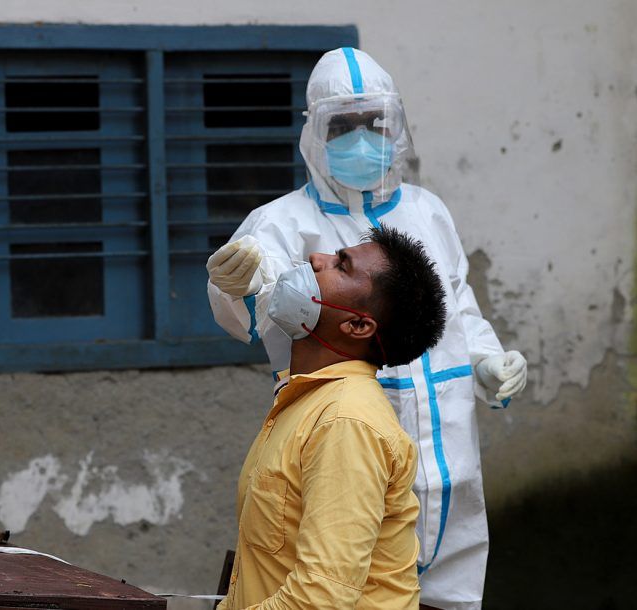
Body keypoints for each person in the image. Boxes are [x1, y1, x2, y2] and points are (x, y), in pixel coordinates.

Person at [207, 48, 527, 609]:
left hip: (448, 450)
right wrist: (230, 284)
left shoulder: (428, 212)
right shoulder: (281, 223)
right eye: (342, 125)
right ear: (315, 133)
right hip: (347, 445)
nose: (361, 139)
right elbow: (257, 302)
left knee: (441, 590)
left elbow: (458, 305)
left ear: (395, 124)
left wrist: (485, 359)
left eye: (373, 123)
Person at [216, 227, 447, 610]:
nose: (315, 259)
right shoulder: (306, 398)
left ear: (357, 326)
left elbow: (319, 599)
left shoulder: (346, 421)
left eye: (341, 265)